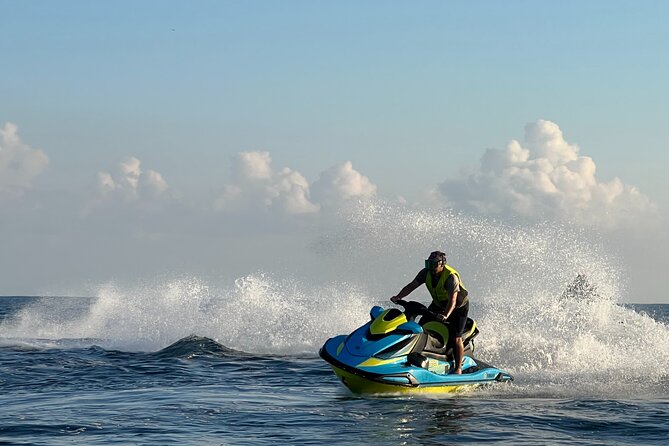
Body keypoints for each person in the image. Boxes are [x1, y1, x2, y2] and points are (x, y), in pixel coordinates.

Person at [390, 251, 469, 374]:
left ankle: (458, 368)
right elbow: (411, 286)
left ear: (442, 264)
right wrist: (398, 297)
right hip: (438, 304)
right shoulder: (425, 272)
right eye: (428, 264)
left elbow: (452, 301)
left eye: (433, 265)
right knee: (421, 327)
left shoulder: (450, 277)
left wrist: (445, 315)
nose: (430, 268)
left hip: (458, 307)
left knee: (456, 336)